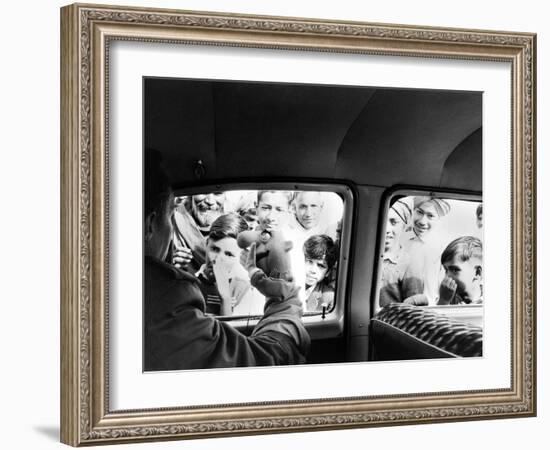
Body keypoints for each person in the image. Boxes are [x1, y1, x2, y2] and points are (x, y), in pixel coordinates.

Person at [143, 149, 310, 370]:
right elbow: (266, 365)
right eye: (170, 215)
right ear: (150, 225)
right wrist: (283, 298)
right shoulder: (165, 300)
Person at [195, 213, 264, 316]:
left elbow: (233, 331)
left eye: (229, 254)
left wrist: (225, 299)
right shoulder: (191, 283)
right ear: (206, 244)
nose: (218, 260)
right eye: (214, 249)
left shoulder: (245, 288)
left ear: (241, 255)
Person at [402, 195, 451, 304]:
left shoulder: (443, 248)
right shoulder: (400, 241)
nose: (422, 221)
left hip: (431, 311)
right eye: (419, 212)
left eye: (430, 216)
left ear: (439, 219)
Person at [378, 199, 427, 307]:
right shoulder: (363, 257)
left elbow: (414, 311)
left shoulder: (409, 263)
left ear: (404, 226)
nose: (387, 229)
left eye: (393, 222)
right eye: (382, 221)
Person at [171, 192, 226, 274]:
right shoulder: (175, 218)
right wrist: (170, 263)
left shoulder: (231, 225)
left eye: (217, 193)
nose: (210, 201)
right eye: (203, 192)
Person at [437, 236, 483, 305]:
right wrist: (443, 301)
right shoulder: (449, 298)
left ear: (477, 273)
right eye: (446, 270)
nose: (447, 276)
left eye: (455, 270)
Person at [302, 235, 338, 312]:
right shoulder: (285, 286)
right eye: (309, 261)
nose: (313, 270)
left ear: (327, 272)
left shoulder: (328, 297)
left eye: (321, 266)